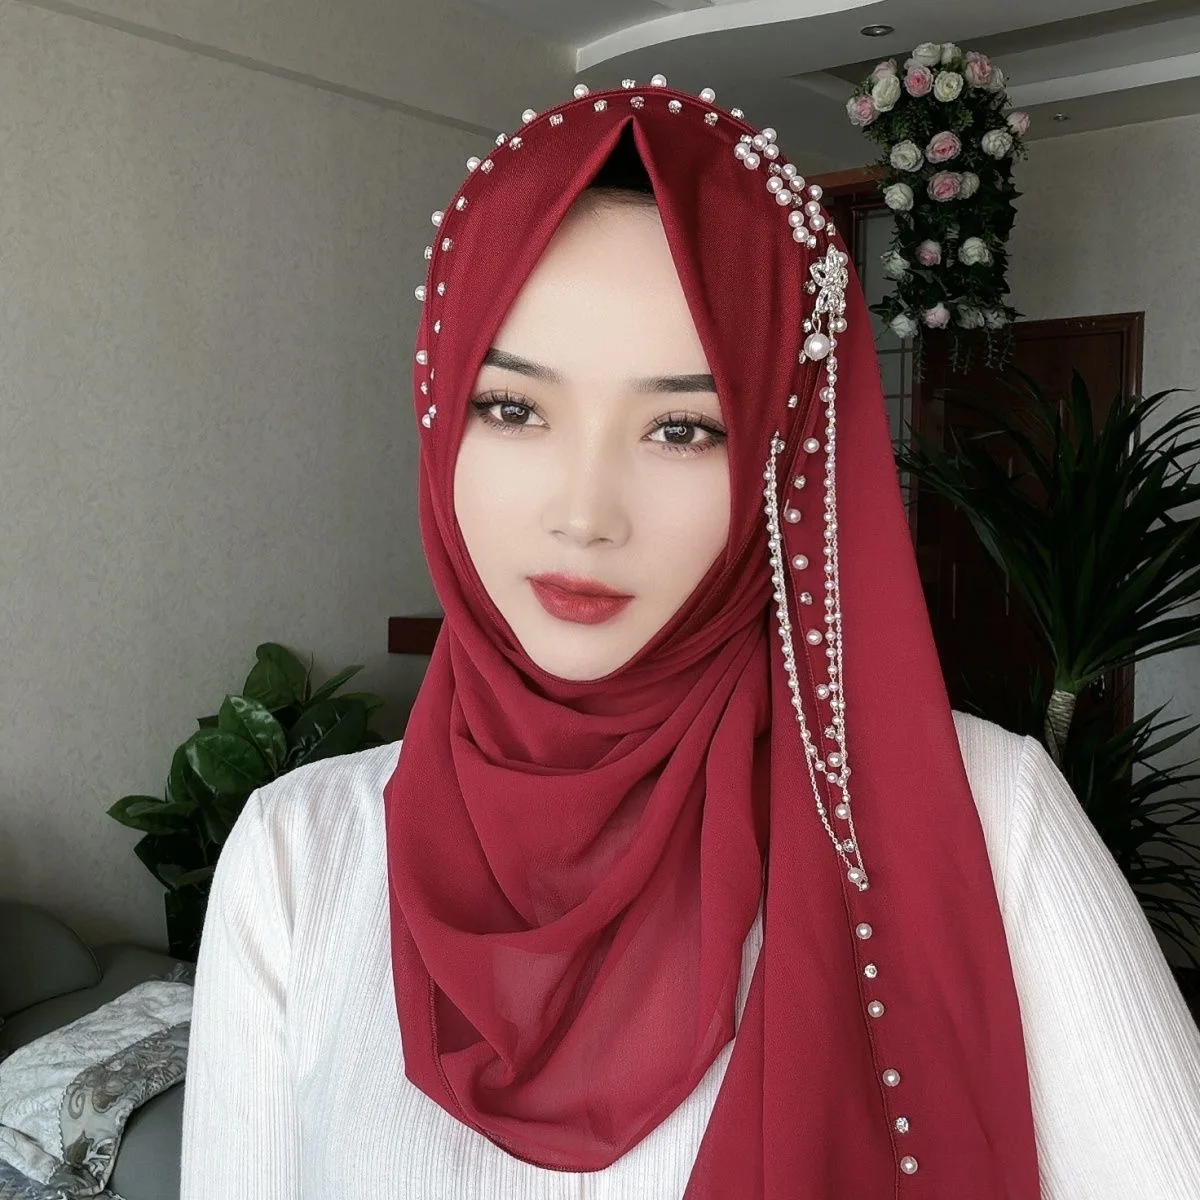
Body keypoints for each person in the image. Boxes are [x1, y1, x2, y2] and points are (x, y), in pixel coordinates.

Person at [180, 77, 1200, 1199]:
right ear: (439, 412)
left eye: (681, 429)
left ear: (781, 454)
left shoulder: (990, 820)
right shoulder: (299, 858)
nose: (585, 514)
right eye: (513, 408)